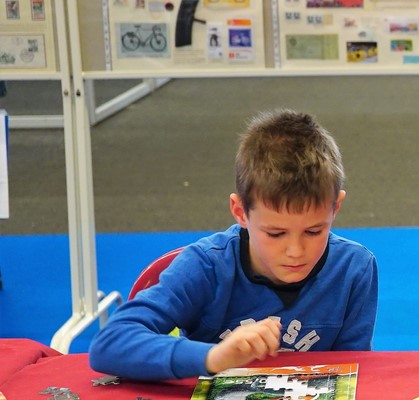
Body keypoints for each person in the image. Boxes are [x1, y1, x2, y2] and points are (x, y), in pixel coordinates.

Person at [89, 109, 379, 381]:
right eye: (276, 234)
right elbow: (109, 345)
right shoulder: (205, 266)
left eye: (315, 231)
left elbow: (355, 373)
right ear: (240, 212)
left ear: (335, 207)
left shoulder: (354, 268)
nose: (296, 251)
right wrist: (214, 357)